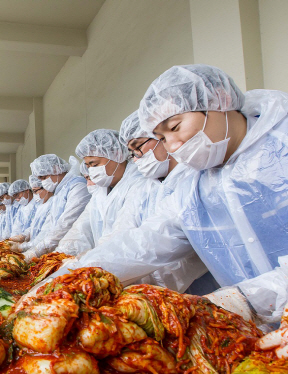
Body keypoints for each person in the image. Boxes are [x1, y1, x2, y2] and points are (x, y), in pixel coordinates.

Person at [62, 64, 288, 325]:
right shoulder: (192, 182)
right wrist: (70, 277)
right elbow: (147, 242)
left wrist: (248, 298)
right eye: (161, 136)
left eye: (176, 126)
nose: (173, 145)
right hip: (254, 335)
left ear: (221, 100)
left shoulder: (280, 145)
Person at [119, 110, 213, 294]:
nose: (137, 157)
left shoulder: (194, 175)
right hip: (158, 292)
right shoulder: (144, 187)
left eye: (138, 146)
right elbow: (123, 232)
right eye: (132, 152)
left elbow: (184, 250)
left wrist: (144, 286)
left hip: (205, 289)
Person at [55, 129, 160, 267]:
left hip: (133, 268)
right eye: (88, 166)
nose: (92, 171)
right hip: (107, 265)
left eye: (95, 164)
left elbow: (121, 233)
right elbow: (80, 228)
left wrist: (89, 259)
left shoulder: (140, 183)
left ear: (116, 154)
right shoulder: (101, 191)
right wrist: (57, 256)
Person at [15, 154, 90, 260]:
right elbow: (50, 228)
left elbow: (65, 224)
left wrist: (36, 251)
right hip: (61, 252)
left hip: (78, 249)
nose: (43, 182)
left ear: (56, 169)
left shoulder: (77, 186)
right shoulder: (58, 193)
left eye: (44, 177)